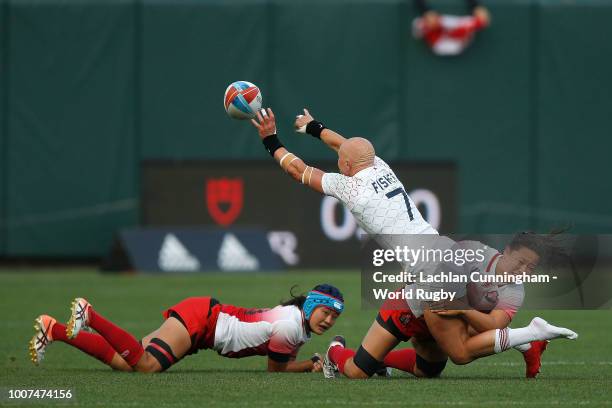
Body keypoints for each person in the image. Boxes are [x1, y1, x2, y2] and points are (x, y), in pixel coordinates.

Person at [249, 108, 577, 380]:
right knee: (431, 364)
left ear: (346, 168)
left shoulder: (350, 188)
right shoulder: (382, 168)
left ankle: (530, 336)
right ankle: (522, 342)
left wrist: (270, 140)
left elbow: (299, 170)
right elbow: (347, 147)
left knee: (460, 352)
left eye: (343, 162)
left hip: (430, 268)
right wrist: (314, 128)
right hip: (442, 253)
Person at [325, 233, 555, 379]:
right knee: (357, 372)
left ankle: (378, 361)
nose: (523, 271)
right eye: (520, 262)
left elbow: (495, 324)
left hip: (443, 320)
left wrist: (463, 309)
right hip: (409, 308)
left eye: (530, 268)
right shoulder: (475, 254)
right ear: (506, 251)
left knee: (426, 372)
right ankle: (334, 351)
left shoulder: (515, 291)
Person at [29, 284, 344, 373]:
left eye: (334, 318)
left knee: (122, 360)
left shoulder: (297, 324)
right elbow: (276, 370)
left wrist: (311, 362)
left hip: (206, 323)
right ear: (309, 306)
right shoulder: (290, 325)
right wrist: (313, 365)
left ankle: (54, 329)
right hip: (202, 322)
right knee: (145, 366)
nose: (328, 321)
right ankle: (90, 314)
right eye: (324, 312)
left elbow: (285, 360)